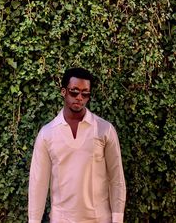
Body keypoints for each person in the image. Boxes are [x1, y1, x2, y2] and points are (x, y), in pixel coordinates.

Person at [28, 67, 126, 223]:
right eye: (74, 92)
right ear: (63, 91)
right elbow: (37, 184)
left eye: (85, 94)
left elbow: (117, 179)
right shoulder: (47, 134)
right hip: (61, 219)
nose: (79, 97)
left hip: (99, 218)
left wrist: (118, 219)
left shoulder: (104, 129)